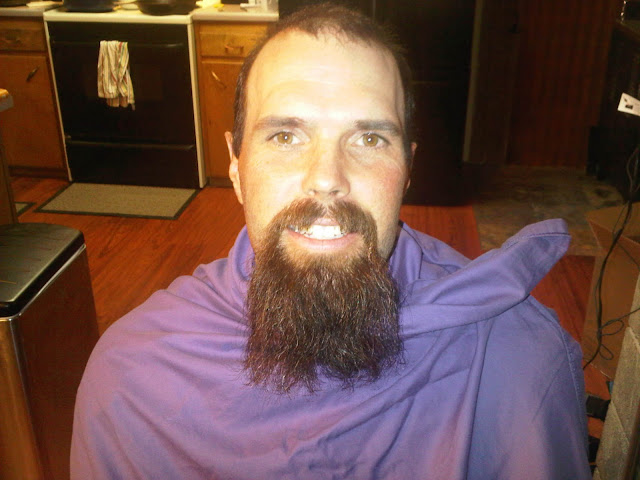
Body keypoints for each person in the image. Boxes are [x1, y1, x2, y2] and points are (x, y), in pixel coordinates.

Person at [70, 4, 591, 479]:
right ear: (235, 164)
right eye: (285, 136)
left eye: (369, 138)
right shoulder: (134, 378)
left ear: (407, 168)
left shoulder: (518, 360)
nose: (326, 178)